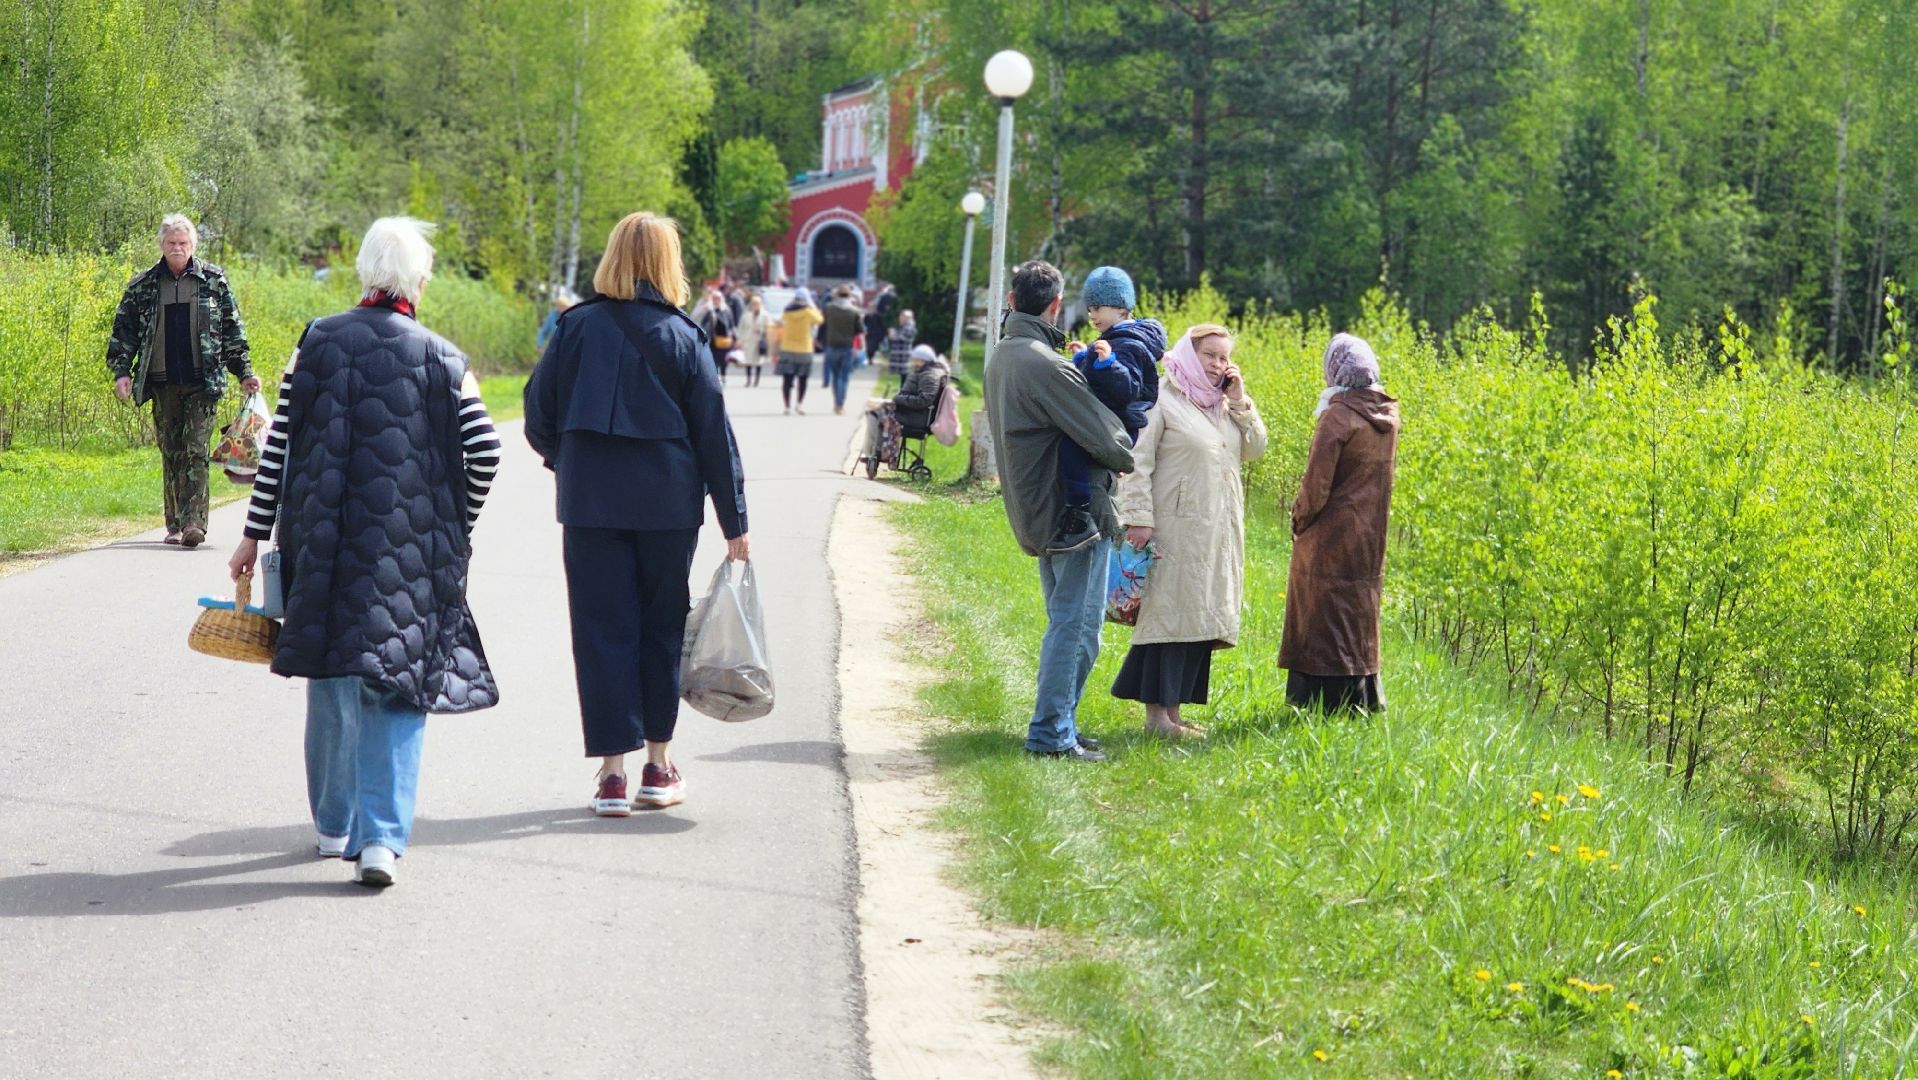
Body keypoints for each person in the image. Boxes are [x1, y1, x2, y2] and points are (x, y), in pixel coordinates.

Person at [226, 217, 502, 888]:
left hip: (320, 539)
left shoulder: (315, 344)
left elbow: (279, 449)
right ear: (421, 282)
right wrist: (457, 524)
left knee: (331, 675)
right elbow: (486, 451)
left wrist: (252, 534)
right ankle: (380, 842)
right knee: (396, 682)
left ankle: (332, 829)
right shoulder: (444, 357)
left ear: (362, 273)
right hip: (410, 553)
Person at [523, 211, 750, 817]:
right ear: (668, 263)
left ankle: (612, 776)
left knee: (599, 633)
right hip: (668, 509)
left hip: (591, 505)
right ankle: (658, 765)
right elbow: (713, 437)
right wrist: (736, 524)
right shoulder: (686, 337)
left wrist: (568, 462)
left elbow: (537, 414)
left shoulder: (574, 329)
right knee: (660, 630)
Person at [984, 260, 1135, 762]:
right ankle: (1050, 734)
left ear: (1011, 302)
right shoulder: (1045, 364)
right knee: (1076, 628)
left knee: (1069, 623)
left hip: (1035, 508)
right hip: (1071, 516)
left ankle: (1061, 723)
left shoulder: (1004, 355)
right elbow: (1111, 442)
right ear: (1054, 306)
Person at [1113, 325, 1267, 739]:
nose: (1218, 365)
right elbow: (1136, 462)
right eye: (1210, 355)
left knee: (1195, 621)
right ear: (1188, 353)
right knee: (1166, 619)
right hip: (1173, 528)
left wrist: (1240, 402)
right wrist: (1139, 517)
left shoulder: (1222, 405)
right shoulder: (1163, 399)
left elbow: (1255, 449)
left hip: (1214, 531)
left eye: (1224, 357)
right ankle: (1155, 718)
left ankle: (1175, 714)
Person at [106, 213, 263, 549]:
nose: (177, 248)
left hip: (202, 381)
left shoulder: (213, 281)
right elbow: (124, 333)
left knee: (194, 450)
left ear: (193, 245)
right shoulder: (144, 284)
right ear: (162, 246)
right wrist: (122, 372)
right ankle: (175, 523)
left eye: (183, 243)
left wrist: (245, 372)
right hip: (162, 382)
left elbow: (233, 332)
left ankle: (195, 524)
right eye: (171, 243)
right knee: (172, 451)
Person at [1279, 333, 1400, 712]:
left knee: (1321, 614)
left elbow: (1316, 487)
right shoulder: (1388, 418)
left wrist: (1299, 520)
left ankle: (1317, 703)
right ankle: (1361, 700)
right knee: (1358, 610)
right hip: (1370, 534)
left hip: (1329, 535)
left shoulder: (1338, 416)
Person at [1052, 266, 1164, 554]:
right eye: (1090, 308)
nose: (1091, 315)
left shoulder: (1130, 345)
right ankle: (1079, 506)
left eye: (1098, 308)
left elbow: (1127, 388)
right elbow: (1096, 381)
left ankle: (1078, 510)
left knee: (1070, 447)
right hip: (1106, 416)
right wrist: (1083, 357)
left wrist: (1107, 363)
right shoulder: (1115, 340)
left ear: (1122, 308)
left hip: (1119, 423)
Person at [857, 343, 948, 474]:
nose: (912, 361)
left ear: (922, 360)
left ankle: (874, 453)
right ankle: (874, 452)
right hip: (913, 414)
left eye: (915, 359)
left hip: (917, 418)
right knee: (875, 411)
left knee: (875, 414)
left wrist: (898, 399)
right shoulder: (927, 371)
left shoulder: (930, 375)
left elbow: (924, 400)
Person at [775, 288, 823, 413]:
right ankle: (799, 404)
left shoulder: (787, 310)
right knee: (803, 379)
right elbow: (820, 320)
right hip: (804, 349)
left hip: (787, 348)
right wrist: (813, 306)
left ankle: (787, 406)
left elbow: (781, 321)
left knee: (787, 379)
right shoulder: (808, 311)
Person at [823, 284, 864, 413]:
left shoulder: (829, 309)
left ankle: (836, 402)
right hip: (847, 347)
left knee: (835, 376)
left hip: (831, 345)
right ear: (850, 295)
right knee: (844, 377)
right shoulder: (854, 311)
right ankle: (840, 405)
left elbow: (823, 324)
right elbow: (860, 330)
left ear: (837, 295)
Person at [693, 287, 737, 385]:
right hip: (713, 339)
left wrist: (735, 337)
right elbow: (703, 322)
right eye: (714, 298)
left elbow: (731, 324)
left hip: (725, 340)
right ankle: (716, 378)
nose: (716, 300)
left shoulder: (726, 310)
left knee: (724, 360)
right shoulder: (710, 310)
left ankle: (724, 376)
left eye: (718, 298)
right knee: (713, 360)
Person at [734, 291, 776, 388]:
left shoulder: (765, 315)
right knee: (748, 361)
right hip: (748, 341)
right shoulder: (746, 315)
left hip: (759, 341)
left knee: (758, 361)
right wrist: (739, 339)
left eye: (757, 303)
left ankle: (757, 379)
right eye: (753, 303)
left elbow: (770, 328)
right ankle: (748, 380)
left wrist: (761, 330)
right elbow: (741, 327)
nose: (755, 305)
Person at [537, 286, 578, 351]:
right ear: (559, 307)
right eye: (564, 307)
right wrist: (539, 345)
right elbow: (543, 332)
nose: (566, 309)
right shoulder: (551, 317)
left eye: (567, 307)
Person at [885, 310, 919, 386]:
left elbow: (902, 337)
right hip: (901, 357)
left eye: (902, 317)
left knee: (905, 378)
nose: (900, 319)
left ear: (908, 318)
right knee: (903, 378)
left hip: (904, 358)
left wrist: (893, 334)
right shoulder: (905, 327)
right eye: (900, 317)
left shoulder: (910, 327)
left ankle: (903, 395)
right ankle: (902, 394)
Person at [867, 283, 898, 365]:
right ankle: (893, 359)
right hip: (891, 321)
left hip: (879, 319)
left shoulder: (882, 296)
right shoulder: (895, 297)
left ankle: (870, 358)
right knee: (892, 340)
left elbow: (876, 308)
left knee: (874, 339)